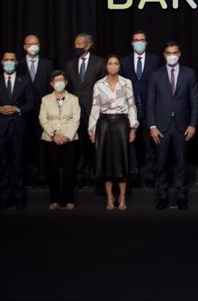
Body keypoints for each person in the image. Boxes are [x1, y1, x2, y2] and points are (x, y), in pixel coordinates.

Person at [147, 41, 198, 210]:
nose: (171, 56)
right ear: (164, 55)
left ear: (179, 54)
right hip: (161, 127)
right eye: (168, 53)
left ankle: (181, 197)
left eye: (174, 52)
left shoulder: (189, 74)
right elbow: (150, 103)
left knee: (182, 164)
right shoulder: (156, 75)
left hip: (182, 126)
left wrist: (192, 124)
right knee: (161, 164)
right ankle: (162, 197)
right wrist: (152, 126)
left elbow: (195, 102)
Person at [0, 52, 35, 210]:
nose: (9, 62)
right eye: (6, 60)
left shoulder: (25, 81)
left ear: (16, 63)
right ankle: (4, 198)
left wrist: (18, 109)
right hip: (0, 129)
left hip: (19, 129)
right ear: (1, 62)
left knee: (19, 164)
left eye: (12, 60)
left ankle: (19, 198)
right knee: (3, 164)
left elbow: (31, 104)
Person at [89, 55, 138, 211]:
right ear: (106, 66)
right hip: (104, 125)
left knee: (121, 162)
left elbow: (132, 106)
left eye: (116, 63)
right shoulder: (99, 84)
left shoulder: (126, 83)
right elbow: (95, 107)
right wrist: (92, 130)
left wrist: (133, 128)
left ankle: (122, 198)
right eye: (110, 63)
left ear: (119, 67)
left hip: (121, 124)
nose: (113, 66)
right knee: (107, 163)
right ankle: (110, 198)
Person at [120, 30, 163, 188]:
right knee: (130, 142)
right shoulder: (124, 61)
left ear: (146, 42)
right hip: (129, 107)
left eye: (142, 40)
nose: (139, 43)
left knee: (149, 143)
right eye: (136, 40)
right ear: (132, 43)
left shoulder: (155, 60)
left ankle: (150, 175)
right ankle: (133, 174)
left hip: (149, 107)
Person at [65, 33, 105, 188]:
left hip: (94, 111)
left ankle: (95, 177)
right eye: (76, 43)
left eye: (80, 44)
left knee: (94, 146)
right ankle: (79, 177)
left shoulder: (100, 62)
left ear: (88, 45)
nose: (77, 46)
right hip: (74, 112)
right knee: (78, 146)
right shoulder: (69, 64)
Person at [38, 70, 80, 210]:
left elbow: (76, 119)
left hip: (70, 139)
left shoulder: (74, 99)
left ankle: (69, 199)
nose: (59, 83)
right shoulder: (45, 99)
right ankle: (54, 199)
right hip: (50, 139)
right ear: (51, 83)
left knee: (69, 170)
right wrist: (54, 134)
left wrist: (67, 136)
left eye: (62, 80)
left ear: (66, 82)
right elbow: (43, 119)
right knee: (52, 170)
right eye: (56, 81)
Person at [17, 34, 54, 188]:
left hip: (42, 111)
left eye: (36, 43)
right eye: (30, 44)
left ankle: (43, 176)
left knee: (42, 145)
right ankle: (26, 178)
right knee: (23, 145)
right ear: (24, 47)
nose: (33, 46)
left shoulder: (48, 64)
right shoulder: (17, 65)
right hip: (23, 112)